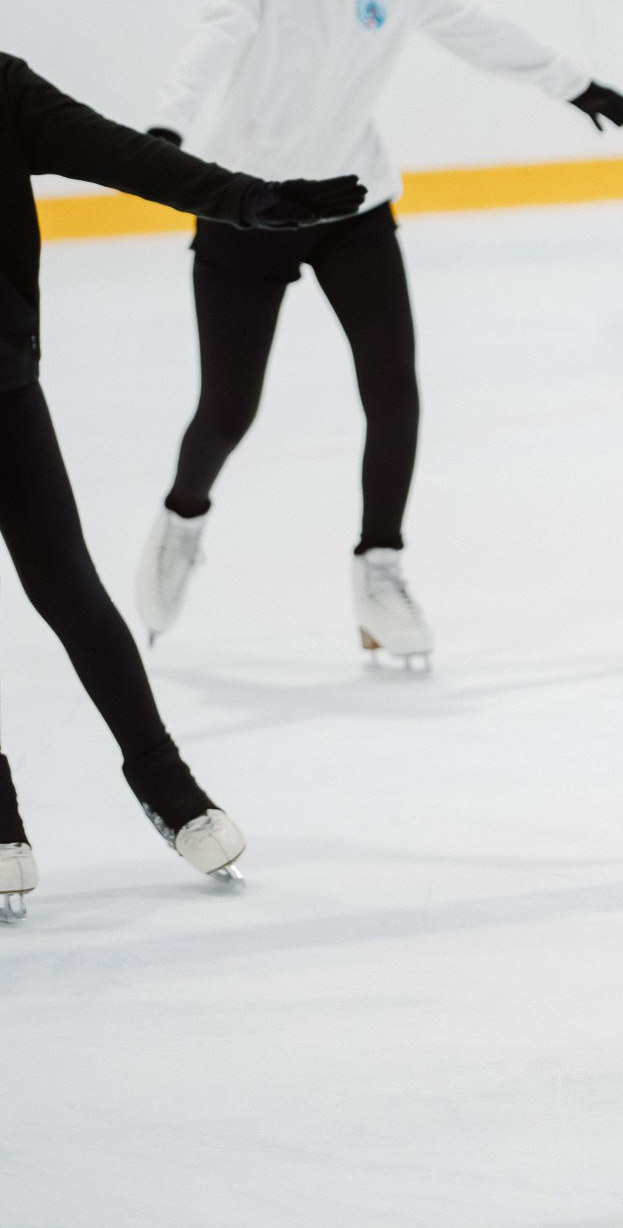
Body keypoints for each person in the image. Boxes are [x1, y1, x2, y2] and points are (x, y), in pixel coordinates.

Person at [132, 0, 623, 672]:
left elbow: (478, 28)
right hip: (248, 207)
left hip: (354, 205)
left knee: (394, 392)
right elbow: (212, 42)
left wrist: (575, 84)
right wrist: (164, 131)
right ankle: (182, 520)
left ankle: (380, 570)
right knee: (229, 408)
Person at [1, 52, 366, 919]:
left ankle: (167, 783)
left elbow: (124, 155)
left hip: (0, 379)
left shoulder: (0, 87)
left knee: (69, 585)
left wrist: (248, 200)